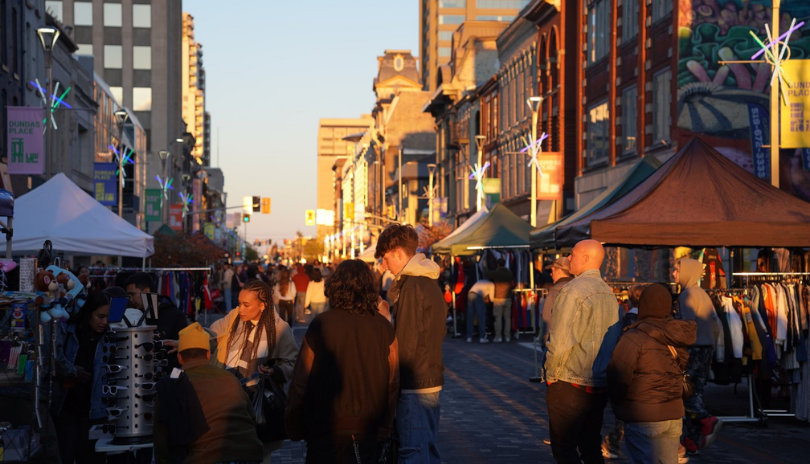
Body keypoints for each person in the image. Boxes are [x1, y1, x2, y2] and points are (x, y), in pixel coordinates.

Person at [285, 260, 399, 462]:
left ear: (335, 286)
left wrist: (295, 424)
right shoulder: (384, 328)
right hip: (368, 428)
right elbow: (392, 383)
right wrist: (384, 426)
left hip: (325, 427)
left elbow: (301, 379)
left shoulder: (322, 324)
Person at [543, 239, 621, 464]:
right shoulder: (608, 293)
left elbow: (560, 341)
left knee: (564, 447)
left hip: (570, 382)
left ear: (586, 258)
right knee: (590, 445)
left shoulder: (573, 290)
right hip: (597, 384)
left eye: (573, 254)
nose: (569, 258)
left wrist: (552, 377)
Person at [375, 224, 447, 463]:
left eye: (385, 258)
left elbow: (406, 345)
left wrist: (394, 385)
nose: (384, 266)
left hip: (415, 385)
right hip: (428, 379)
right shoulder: (425, 282)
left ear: (398, 253)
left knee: (413, 451)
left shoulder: (413, 286)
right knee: (424, 448)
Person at [209, 280, 299, 462]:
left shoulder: (280, 328)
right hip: (230, 399)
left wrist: (275, 371)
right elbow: (211, 333)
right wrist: (187, 342)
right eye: (239, 303)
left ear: (263, 305)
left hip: (259, 406)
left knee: (259, 454)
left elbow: (293, 363)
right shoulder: (235, 317)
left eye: (246, 305)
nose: (240, 309)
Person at [607, 284, 697, 464]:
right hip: (673, 414)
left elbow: (618, 376)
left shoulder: (634, 337)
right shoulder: (677, 334)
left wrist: (618, 406)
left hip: (643, 414)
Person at [154, 322, 264, 464]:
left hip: (202, 458)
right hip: (248, 455)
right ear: (207, 355)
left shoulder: (170, 385)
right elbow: (251, 416)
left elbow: (161, 438)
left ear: (180, 357)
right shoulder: (231, 379)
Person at [52, 292, 110, 464]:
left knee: (92, 458)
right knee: (65, 455)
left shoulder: (109, 338)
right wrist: (71, 372)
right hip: (66, 408)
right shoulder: (69, 331)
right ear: (88, 313)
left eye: (107, 317)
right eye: (100, 316)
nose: (104, 322)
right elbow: (55, 359)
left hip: (95, 413)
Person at [674, 258, 723, 454]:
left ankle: (706, 419)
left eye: (677, 270)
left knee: (686, 392)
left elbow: (686, 328)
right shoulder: (702, 294)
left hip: (692, 349)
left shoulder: (686, 295)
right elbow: (715, 324)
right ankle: (692, 440)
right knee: (697, 391)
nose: (674, 274)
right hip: (706, 347)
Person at [602, 284, 645, 459]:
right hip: (640, 372)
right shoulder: (642, 319)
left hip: (629, 371)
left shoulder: (628, 318)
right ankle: (612, 443)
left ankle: (612, 443)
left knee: (626, 413)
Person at [125, 273, 189, 368]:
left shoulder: (175, 315)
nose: (130, 299)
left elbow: (182, 350)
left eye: (133, 294)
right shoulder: (131, 315)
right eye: (128, 295)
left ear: (146, 291)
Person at [541, 257, 574, 345]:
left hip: (558, 341)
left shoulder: (555, 290)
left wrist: (545, 341)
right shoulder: (579, 286)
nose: (551, 274)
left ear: (559, 270)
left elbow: (548, 319)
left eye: (552, 271)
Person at [487, 258, 514, 343]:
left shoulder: (496, 273)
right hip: (508, 297)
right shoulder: (509, 273)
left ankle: (498, 336)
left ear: (498, 265)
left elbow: (487, 274)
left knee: (498, 317)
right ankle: (507, 336)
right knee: (507, 318)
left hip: (498, 297)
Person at [466, 278, 494, 343]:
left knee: (470, 317)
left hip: (470, 294)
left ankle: (469, 337)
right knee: (481, 316)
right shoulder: (491, 284)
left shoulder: (481, 281)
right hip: (478, 296)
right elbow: (491, 298)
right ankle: (482, 337)